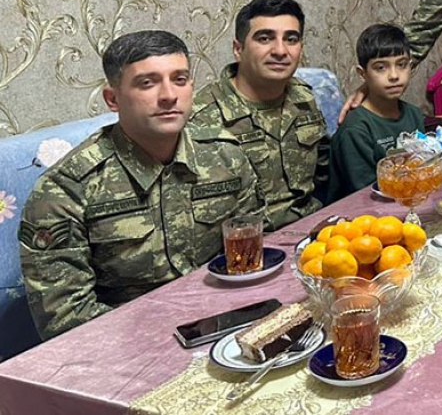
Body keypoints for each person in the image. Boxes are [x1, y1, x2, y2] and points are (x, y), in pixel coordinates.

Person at [18, 31, 263, 340]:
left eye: (179, 79)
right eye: (147, 83)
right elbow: (64, 319)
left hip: (229, 323)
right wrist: (170, 335)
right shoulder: (66, 190)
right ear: (113, 99)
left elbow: (251, 256)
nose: (169, 95)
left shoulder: (225, 156)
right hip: (127, 343)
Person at [188, 0, 329, 227]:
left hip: (312, 227)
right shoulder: (201, 117)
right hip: (248, 240)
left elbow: (325, 171)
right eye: (265, 38)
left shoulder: (304, 98)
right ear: (238, 49)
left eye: (291, 39)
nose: (280, 51)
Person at [332, 24, 425, 196]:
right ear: (363, 73)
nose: (394, 76)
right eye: (381, 67)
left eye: (401, 65)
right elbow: (366, 193)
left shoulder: (414, 115)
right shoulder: (356, 130)